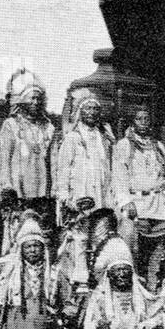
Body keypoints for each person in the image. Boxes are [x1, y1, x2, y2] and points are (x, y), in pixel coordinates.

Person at [111, 107, 165, 290]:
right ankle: (134, 288)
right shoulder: (124, 145)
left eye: (147, 119)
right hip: (136, 203)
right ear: (133, 122)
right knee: (133, 248)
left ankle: (153, 286)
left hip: (157, 204)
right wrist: (126, 201)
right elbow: (118, 175)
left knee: (158, 249)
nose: (144, 123)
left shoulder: (158, 146)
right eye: (139, 119)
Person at [0, 70, 55, 246]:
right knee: (17, 230)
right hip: (18, 190)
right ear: (22, 100)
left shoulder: (48, 127)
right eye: (31, 98)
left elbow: (53, 159)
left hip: (42, 190)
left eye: (38, 98)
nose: (35, 102)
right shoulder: (11, 125)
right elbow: (4, 159)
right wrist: (6, 186)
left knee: (41, 232)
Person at [55, 89, 113, 229]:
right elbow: (63, 170)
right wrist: (65, 197)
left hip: (101, 195)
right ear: (81, 111)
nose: (92, 112)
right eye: (88, 108)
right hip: (79, 195)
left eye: (95, 109)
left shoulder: (105, 139)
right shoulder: (72, 138)